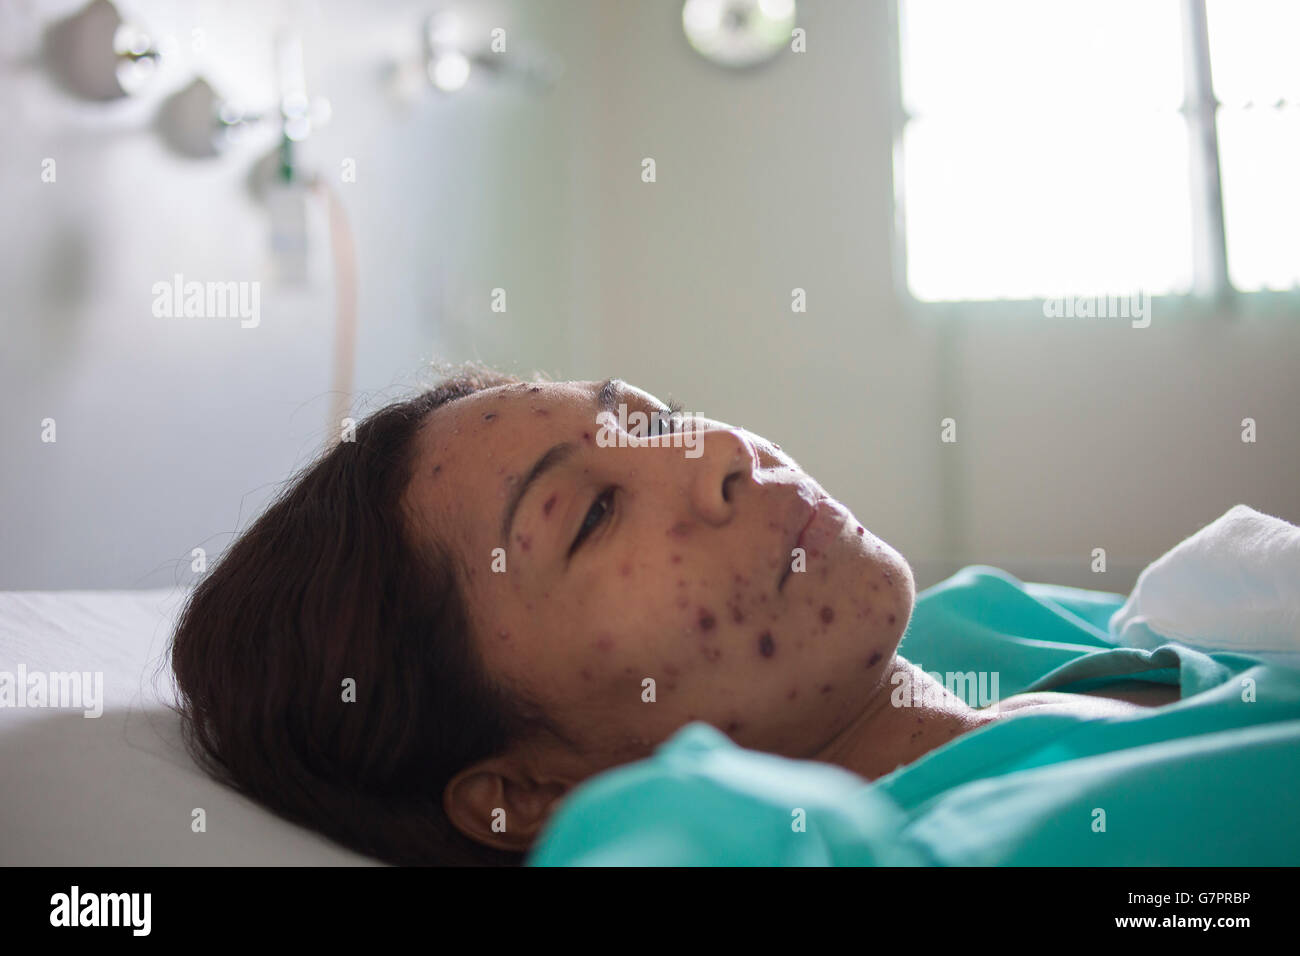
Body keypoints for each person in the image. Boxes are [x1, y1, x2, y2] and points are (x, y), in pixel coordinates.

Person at [169, 361, 1175, 866]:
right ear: (529, 789)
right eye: (594, 512)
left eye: (651, 419)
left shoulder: (989, 625)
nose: (718, 451)